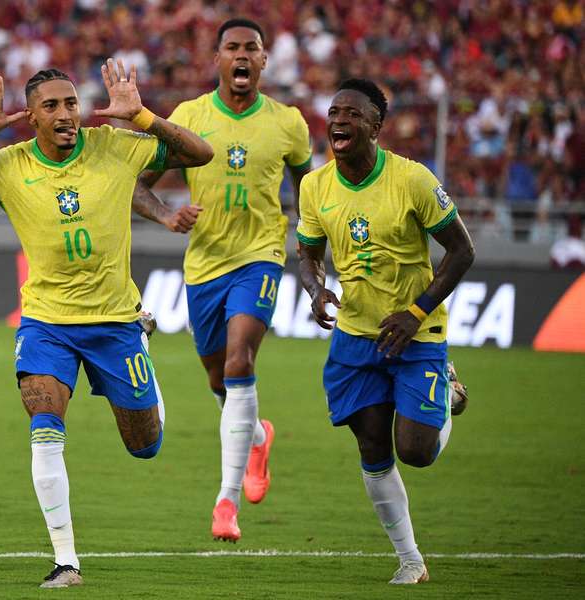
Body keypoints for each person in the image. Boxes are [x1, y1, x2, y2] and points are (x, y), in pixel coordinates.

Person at [0, 61, 213, 587]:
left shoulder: (114, 146)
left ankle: (145, 354)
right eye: (51, 105)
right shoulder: (7, 163)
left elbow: (200, 154)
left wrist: (141, 114)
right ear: (30, 116)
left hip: (114, 322)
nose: (65, 113)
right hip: (46, 324)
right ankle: (66, 561)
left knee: (145, 446)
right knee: (45, 430)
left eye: (71, 103)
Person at [133, 18, 312, 542]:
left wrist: (311, 252)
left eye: (251, 48)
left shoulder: (288, 123)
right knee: (220, 379)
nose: (241, 55)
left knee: (241, 361)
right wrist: (167, 216)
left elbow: (312, 191)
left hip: (259, 258)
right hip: (204, 266)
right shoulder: (189, 117)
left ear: (263, 61)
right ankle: (257, 436)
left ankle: (225, 504)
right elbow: (139, 186)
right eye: (231, 47)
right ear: (217, 60)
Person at [296, 79, 475, 584]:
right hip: (356, 336)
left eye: (350, 114)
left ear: (375, 126)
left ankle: (447, 392)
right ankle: (410, 560)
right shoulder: (315, 186)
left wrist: (416, 312)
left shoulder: (412, 180)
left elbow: (462, 252)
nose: (337, 121)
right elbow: (306, 252)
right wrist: (315, 290)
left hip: (416, 332)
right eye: (332, 113)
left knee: (415, 451)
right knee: (373, 446)